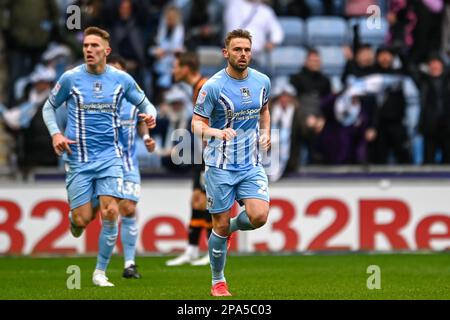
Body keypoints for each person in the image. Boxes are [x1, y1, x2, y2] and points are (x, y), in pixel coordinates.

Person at [42, 27, 157, 287]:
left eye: (94, 46)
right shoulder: (70, 78)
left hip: (110, 158)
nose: (89, 50)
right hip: (79, 159)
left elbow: (146, 104)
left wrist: (151, 116)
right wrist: (55, 134)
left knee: (111, 211)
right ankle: (75, 220)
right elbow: (49, 107)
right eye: (85, 46)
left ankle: (99, 272)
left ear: (106, 51)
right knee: (83, 219)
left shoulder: (121, 80)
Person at [191, 29, 271, 297]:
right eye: (237, 50)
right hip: (219, 166)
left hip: (250, 164)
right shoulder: (213, 86)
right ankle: (218, 282)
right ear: (226, 53)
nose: (243, 54)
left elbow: (265, 109)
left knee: (259, 216)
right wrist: (217, 132)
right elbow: (196, 124)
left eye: (247, 50)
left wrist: (267, 132)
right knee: (220, 226)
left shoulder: (262, 81)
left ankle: (232, 227)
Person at [107, 54, 156, 278]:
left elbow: (141, 123)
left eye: (118, 71)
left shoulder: (134, 100)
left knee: (128, 209)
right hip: (104, 164)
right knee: (93, 215)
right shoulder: (97, 101)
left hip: (129, 164)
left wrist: (146, 138)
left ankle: (129, 264)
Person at [166, 52, 212, 266]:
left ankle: (214, 252)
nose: (173, 70)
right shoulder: (196, 89)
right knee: (196, 198)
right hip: (201, 153)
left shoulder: (204, 87)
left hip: (212, 152)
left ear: (186, 68)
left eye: (176, 66)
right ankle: (192, 250)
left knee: (208, 201)